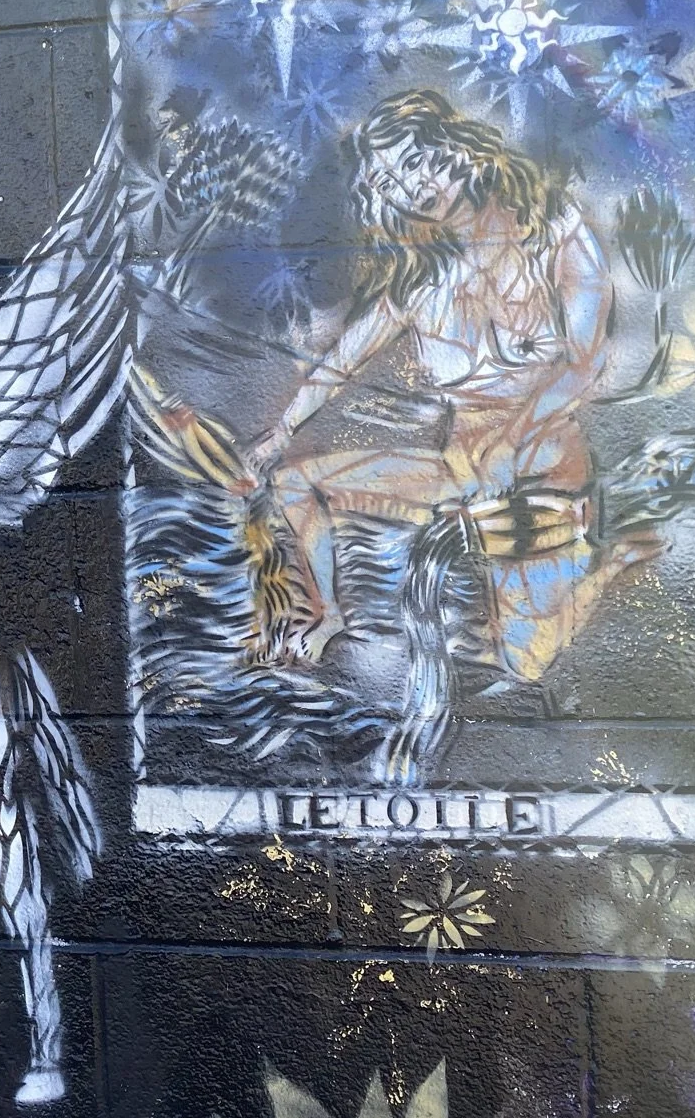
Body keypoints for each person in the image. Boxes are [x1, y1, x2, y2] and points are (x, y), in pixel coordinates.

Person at [247, 89, 644, 683]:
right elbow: (343, 360)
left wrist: (510, 442)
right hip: (460, 466)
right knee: (294, 482)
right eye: (391, 183)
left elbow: (584, 363)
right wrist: (281, 432)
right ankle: (329, 617)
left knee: (526, 664)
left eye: (414, 161)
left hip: (540, 462)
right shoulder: (423, 277)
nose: (412, 189)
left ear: (456, 147)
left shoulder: (555, 230)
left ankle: (607, 560)